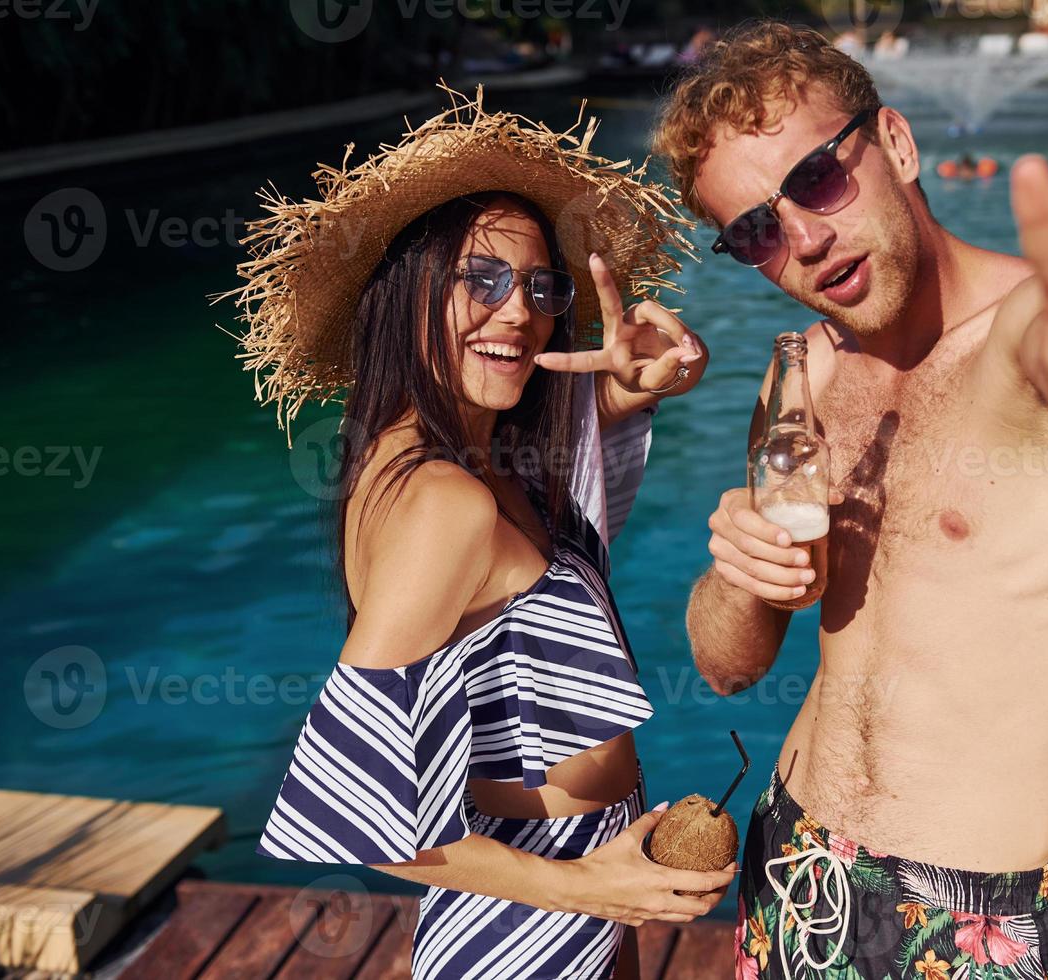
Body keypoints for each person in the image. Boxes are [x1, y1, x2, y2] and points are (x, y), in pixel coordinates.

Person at [653, 21, 1048, 979]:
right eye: (757, 230)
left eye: (815, 177)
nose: (802, 238)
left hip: (967, 920)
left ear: (895, 143)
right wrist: (742, 579)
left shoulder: (1031, 340)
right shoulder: (799, 378)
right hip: (789, 862)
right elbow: (726, 670)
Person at [231, 86, 734, 980]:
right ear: (409, 288)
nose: (518, 312)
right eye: (483, 279)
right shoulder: (446, 502)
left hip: (562, 880)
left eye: (540, 287)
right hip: (529, 912)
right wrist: (585, 889)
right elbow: (348, 807)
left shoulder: (461, 455)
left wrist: (655, 376)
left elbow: (573, 487)